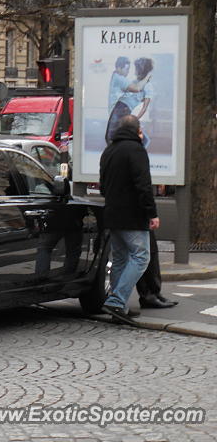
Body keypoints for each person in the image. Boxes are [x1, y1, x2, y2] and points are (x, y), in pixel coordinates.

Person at [100, 115, 159, 324]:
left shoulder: (109, 150)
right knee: (141, 257)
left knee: (120, 260)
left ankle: (119, 305)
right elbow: (143, 184)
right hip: (133, 216)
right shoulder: (136, 151)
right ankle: (117, 301)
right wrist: (151, 213)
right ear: (138, 130)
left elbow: (103, 185)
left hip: (113, 214)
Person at [105, 57, 154, 146]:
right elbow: (135, 90)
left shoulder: (148, 86)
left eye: (136, 69)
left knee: (112, 135)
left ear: (141, 71)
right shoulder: (135, 81)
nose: (134, 72)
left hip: (124, 109)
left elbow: (144, 107)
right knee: (114, 135)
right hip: (121, 107)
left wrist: (136, 118)